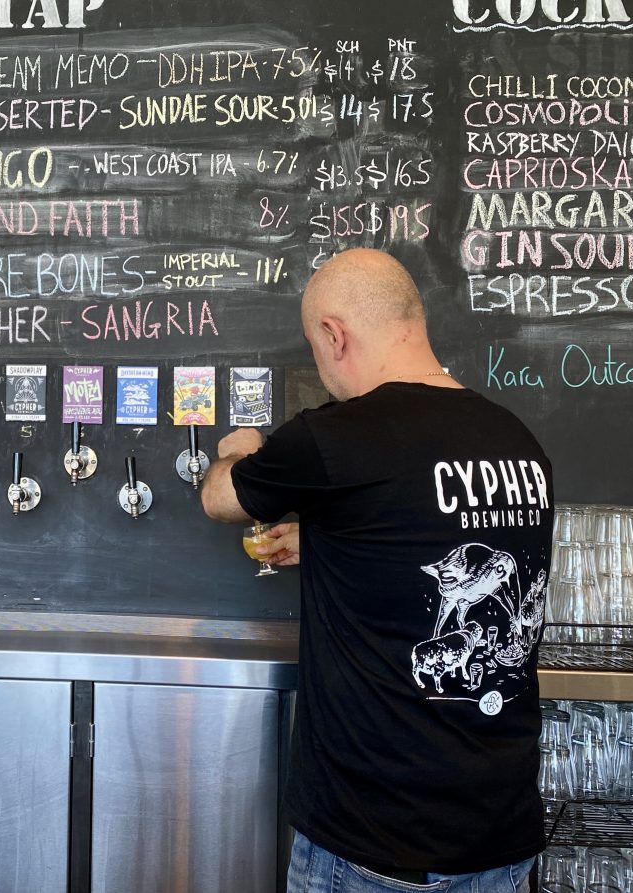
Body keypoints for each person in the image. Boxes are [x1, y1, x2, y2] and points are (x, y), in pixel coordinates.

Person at [201, 249, 552, 892]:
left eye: (315, 347)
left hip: (376, 846)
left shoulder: (337, 434)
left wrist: (243, 449)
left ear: (334, 334)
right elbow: (424, 537)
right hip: (501, 836)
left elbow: (222, 498)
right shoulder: (515, 440)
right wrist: (330, 541)